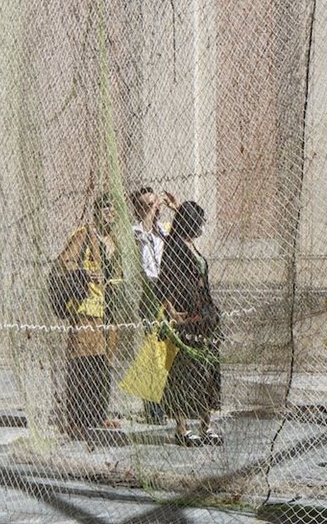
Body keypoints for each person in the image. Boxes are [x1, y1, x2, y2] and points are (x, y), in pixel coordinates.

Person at [57, 193, 124, 440]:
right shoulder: (84, 235)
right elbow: (65, 262)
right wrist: (86, 273)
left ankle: (98, 414)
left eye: (113, 209)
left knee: (103, 364)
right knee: (81, 363)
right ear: (96, 211)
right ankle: (76, 420)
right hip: (87, 308)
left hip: (109, 311)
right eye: (105, 208)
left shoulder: (114, 241)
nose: (109, 213)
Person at [155, 200, 221, 446]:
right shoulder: (173, 247)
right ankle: (182, 428)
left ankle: (207, 425)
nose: (202, 226)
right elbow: (165, 283)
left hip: (206, 315)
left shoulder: (191, 245)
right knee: (183, 374)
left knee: (208, 372)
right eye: (199, 221)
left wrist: (175, 206)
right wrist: (172, 312)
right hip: (187, 317)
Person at [131, 186, 175, 425]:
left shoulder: (165, 231)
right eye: (146, 205)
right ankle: (153, 409)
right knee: (153, 353)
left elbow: (187, 231)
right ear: (138, 209)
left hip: (169, 293)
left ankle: (170, 404)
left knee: (170, 352)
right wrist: (148, 213)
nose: (152, 209)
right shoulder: (134, 232)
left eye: (153, 204)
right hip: (150, 294)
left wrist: (172, 207)